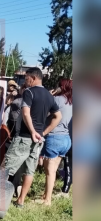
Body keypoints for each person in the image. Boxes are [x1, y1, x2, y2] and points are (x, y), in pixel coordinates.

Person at [4, 67, 62, 208]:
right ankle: (21, 201)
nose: (25, 80)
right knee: (29, 171)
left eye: (27, 77)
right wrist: (42, 133)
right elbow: (58, 116)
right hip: (38, 141)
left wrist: (32, 131)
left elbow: (25, 113)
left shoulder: (29, 92)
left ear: (34, 78)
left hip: (24, 137)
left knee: (6, 167)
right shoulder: (49, 96)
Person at [39, 78, 72, 206]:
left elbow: (44, 112)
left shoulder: (57, 100)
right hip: (66, 139)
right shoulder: (71, 102)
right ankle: (46, 195)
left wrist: (50, 95)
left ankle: (47, 200)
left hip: (54, 138)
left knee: (50, 171)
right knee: (52, 171)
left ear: (61, 87)